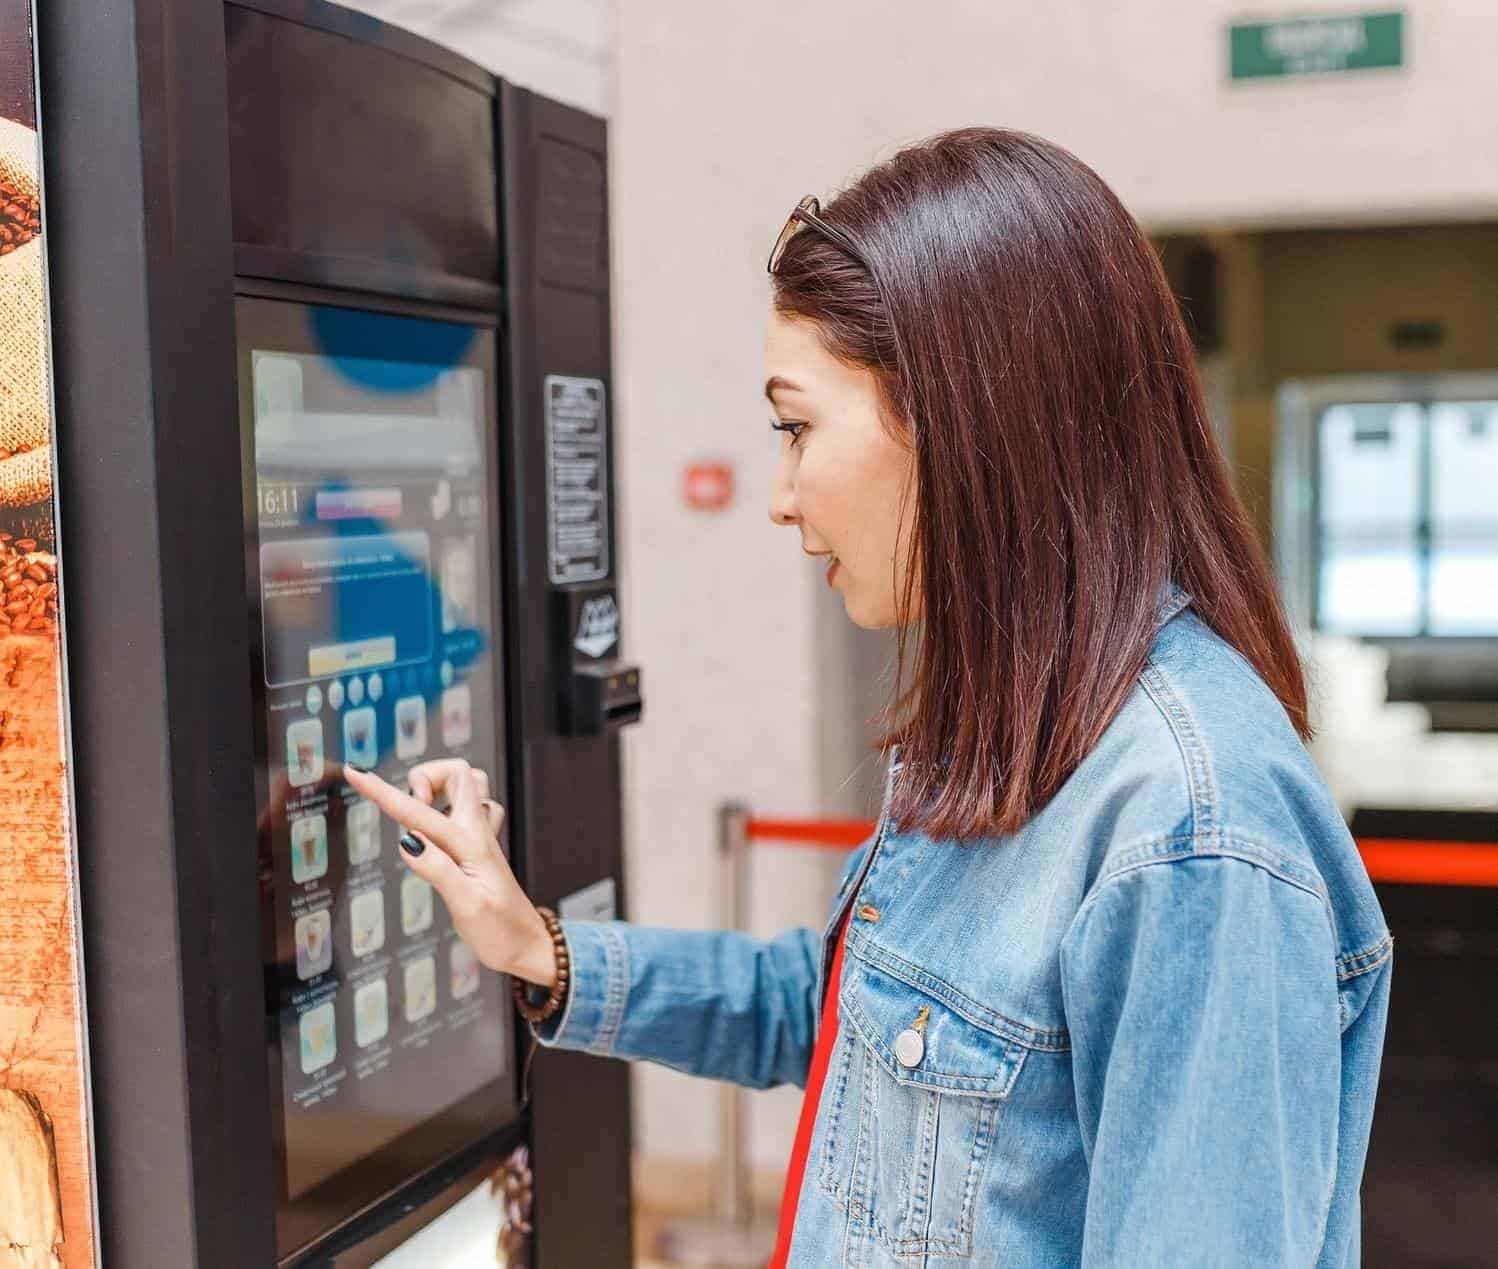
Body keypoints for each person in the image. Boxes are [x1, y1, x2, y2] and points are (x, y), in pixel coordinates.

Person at [345, 127, 1391, 1268]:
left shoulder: (1193, 834)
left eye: (796, 428)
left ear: (961, 422)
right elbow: (849, 1017)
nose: (781, 497)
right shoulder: (1021, 723)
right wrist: (539, 948)